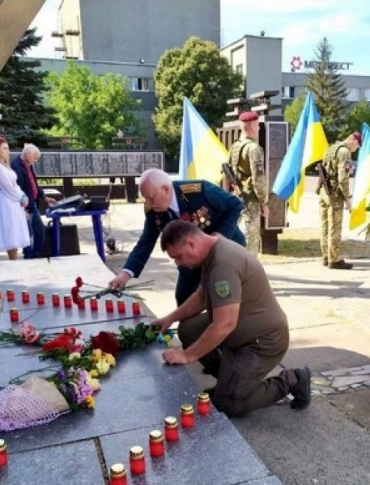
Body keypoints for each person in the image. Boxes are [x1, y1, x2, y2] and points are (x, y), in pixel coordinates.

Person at [154, 220, 311, 417]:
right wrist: (170, 318)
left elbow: (224, 324)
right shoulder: (213, 249)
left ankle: (291, 380)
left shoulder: (222, 263)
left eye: (178, 256)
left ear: (191, 243)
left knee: (228, 405)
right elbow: (202, 297)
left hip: (262, 341)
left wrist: (187, 355)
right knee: (188, 330)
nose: (178, 262)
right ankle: (231, 383)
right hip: (241, 329)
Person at [108, 169, 245, 305]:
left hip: (225, 251)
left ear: (166, 189)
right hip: (189, 261)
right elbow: (146, 242)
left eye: (151, 197)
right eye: (145, 198)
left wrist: (222, 234)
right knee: (183, 298)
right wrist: (125, 274)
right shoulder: (153, 210)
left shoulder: (200, 191)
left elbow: (236, 204)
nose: (148, 203)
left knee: (224, 299)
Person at [226, 111, 269, 253]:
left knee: (241, 232)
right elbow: (259, 179)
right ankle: (248, 270)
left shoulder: (235, 146)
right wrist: (264, 201)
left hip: (238, 195)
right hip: (250, 198)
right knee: (251, 236)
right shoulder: (254, 149)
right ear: (250, 126)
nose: (259, 129)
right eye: (257, 125)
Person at [318, 132, 362, 269]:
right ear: (354, 141)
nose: (356, 150)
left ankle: (326, 256)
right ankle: (334, 259)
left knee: (324, 225)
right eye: (358, 146)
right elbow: (343, 178)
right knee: (334, 227)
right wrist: (348, 199)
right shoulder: (344, 152)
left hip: (324, 191)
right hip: (334, 194)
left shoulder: (331, 149)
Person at [0, 136, 30, 260]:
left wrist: (23, 195)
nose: (8, 151)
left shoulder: (6, 166)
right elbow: (6, 186)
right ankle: (13, 259)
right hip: (6, 202)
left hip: (13, 201)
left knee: (16, 231)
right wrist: (19, 198)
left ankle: (15, 258)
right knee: (10, 231)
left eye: (8, 148)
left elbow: (14, 184)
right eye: (4, 148)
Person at [11, 144, 56, 259]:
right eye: (35, 158)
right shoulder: (16, 166)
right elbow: (19, 188)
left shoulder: (28, 165)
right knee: (28, 234)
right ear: (27, 154)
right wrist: (23, 207)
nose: (36, 161)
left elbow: (33, 185)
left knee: (40, 230)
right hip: (24, 206)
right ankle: (29, 256)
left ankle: (36, 255)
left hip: (32, 204)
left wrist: (44, 197)